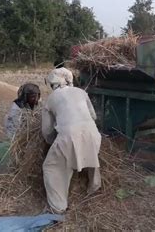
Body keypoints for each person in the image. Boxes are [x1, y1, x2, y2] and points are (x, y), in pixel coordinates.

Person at [41, 68, 101, 213]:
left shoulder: (51, 99)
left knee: (52, 167)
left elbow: (47, 131)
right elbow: (93, 116)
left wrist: (51, 143)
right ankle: (94, 187)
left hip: (69, 137)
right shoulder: (81, 92)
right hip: (93, 134)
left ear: (52, 84)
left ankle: (58, 207)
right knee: (91, 156)